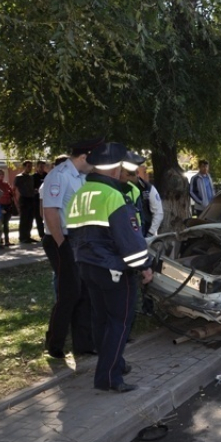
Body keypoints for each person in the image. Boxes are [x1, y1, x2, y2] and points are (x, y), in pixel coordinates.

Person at [66, 142, 153, 393]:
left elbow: (75, 233)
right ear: (115, 168)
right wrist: (145, 267)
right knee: (120, 322)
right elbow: (130, 242)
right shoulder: (113, 196)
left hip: (87, 266)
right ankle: (109, 377)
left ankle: (113, 362)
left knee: (101, 319)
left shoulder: (80, 194)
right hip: (114, 269)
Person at [40, 137, 103, 359]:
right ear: (84, 157)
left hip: (80, 239)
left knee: (85, 290)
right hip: (61, 239)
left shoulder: (83, 177)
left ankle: (83, 344)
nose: (97, 165)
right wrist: (62, 245)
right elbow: (50, 212)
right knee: (70, 292)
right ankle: (55, 344)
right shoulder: (59, 176)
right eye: (94, 160)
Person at [121, 151, 164, 237]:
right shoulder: (116, 188)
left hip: (145, 233)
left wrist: (150, 233)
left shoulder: (148, 188)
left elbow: (158, 212)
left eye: (130, 175)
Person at [13, 160, 38, 243]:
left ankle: (28, 236)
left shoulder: (31, 177)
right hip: (24, 199)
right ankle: (22, 237)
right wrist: (15, 201)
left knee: (30, 219)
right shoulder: (19, 177)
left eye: (31, 166)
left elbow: (31, 188)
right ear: (24, 167)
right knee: (24, 219)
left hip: (31, 198)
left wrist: (35, 191)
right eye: (28, 166)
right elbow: (14, 189)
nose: (30, 168)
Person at [32, 160, 48, 238]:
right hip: (37, 200)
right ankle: (42, 235)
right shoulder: (34, 176)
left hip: (47, 198)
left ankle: (48, 232)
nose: (42, 168)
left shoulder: (47, 175)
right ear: (37, 167)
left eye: (43, 166)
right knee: (39, 217)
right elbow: (32, 188)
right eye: (40, 166)